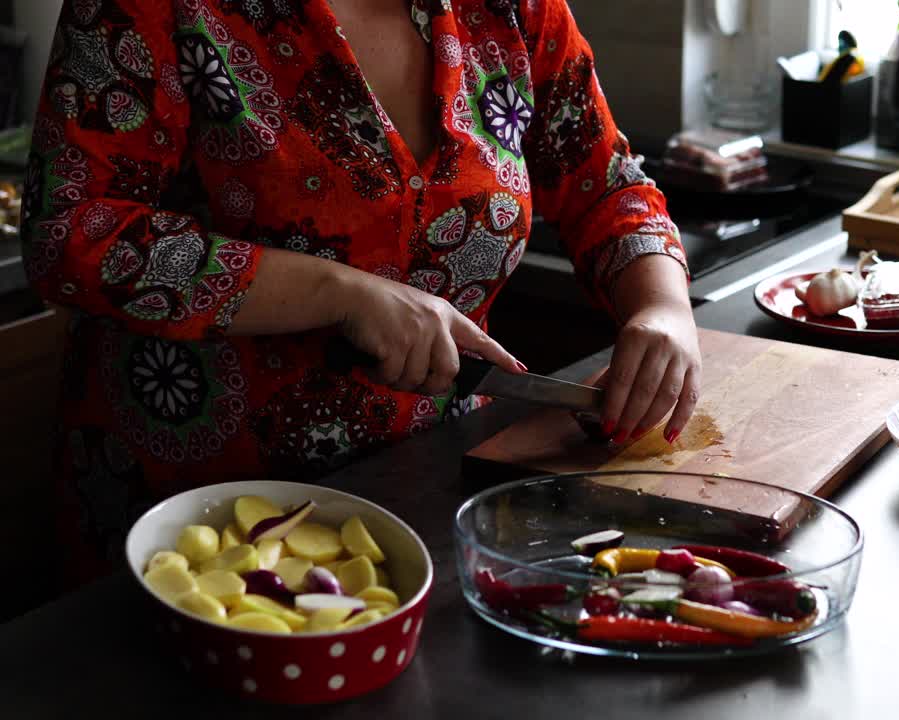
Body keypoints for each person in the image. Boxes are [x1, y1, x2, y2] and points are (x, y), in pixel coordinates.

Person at [23, 0, 700, 582]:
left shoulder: (510, 9)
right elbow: (71, 234)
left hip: (426, 499)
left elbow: (607, 184)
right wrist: (339, 293)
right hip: (195, 525)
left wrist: (662, 308)